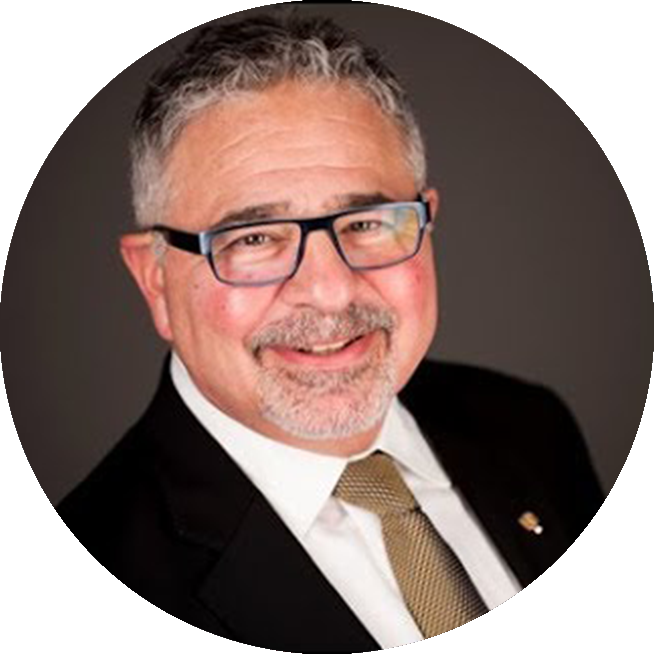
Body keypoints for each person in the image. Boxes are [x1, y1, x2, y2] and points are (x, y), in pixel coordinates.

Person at [0, 11, 639, 651]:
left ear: (426, 223)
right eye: (253, 238)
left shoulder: (530, 431)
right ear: (155, 279)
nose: (330, 291)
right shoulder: (54, 614)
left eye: (365, 222)